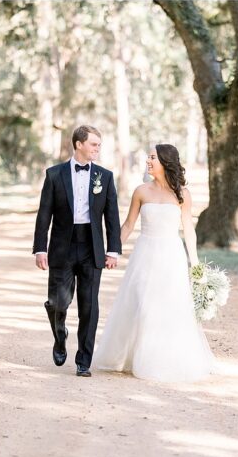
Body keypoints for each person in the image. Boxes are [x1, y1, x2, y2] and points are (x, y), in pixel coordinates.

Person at [94, 143, 215, 382]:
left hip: (171, 255)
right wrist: (112, 252)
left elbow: (188, 229)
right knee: (142, 302)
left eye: (152, 158)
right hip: (144, 254)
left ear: (165, 161)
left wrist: (195, 264)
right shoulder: (141, 191)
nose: (148, 161)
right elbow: (128, 225)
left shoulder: (182, 194)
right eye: (148, 157)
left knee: (168, 306)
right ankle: (135, 357)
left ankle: (162, 359)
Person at [33, 125, 122, 377]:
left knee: (89, 306)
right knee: (58, 302)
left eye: (99, 144)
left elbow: (111, 216)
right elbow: (44, 214)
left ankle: (84, 361)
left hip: (92, 247)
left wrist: (113, 250)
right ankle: (60, 335)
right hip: (62, 245)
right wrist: (40, 248)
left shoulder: (104, 176)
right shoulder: (54, 174)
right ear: (79, 144)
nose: (97, 148)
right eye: (93, 144)